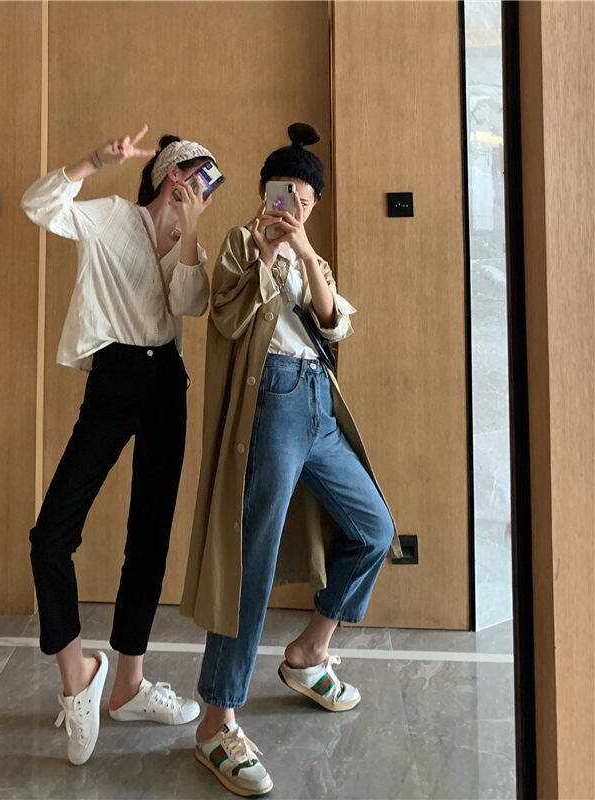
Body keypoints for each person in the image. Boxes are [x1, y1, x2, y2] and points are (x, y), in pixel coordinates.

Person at [180, 123, 402, 796]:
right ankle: (217, 721)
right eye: (286, 194)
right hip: (271, 407)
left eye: (306, 200)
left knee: (375, 529)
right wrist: (271, 251)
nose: (295, 207)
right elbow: (227, 316)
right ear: (265, 192)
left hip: (317, 407)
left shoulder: (313, 257)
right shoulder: (240, 244)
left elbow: (334, 323)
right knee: (251, 557)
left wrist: (302, 251)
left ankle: (308, 653)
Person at [20, 125, 216, 765]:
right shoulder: (111, 218)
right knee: (52, 535)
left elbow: (191, 303)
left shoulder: (188, 243)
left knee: (150, 537)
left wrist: (190, 232)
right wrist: (92, 162)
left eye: (210, 185)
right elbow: (38, 206)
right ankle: (77, 676)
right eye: (196, 177)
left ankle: (129, 685)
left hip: (166, 384)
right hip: (115, 376)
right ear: (170, 174)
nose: (202, 190)